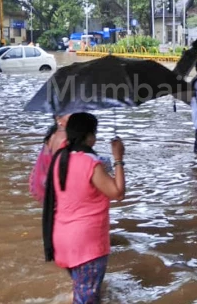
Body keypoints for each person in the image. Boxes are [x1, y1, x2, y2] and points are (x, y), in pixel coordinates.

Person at [41, 113, 125, 303]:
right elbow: (117, 193)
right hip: (87, 244)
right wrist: (118, 158)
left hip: (62, 240)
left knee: (85, 292)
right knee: (86, 297)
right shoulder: (90, 164)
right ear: (89, 136)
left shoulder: (59, 160)